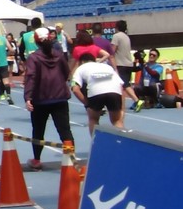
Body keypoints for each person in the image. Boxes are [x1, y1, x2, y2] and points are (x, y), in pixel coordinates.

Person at [21, 30, 72, 171]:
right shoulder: (59, 55)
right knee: (65, 130)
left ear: (36, 41)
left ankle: (37, 160)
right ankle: (71, 159)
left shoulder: (34, 57)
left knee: (38, 130)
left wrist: (28, 97)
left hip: (40, 99)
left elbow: (31, 77)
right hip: (60, 97)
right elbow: (66, 72)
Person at [71, 52, 133, 139]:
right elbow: (121, 86)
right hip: (114, 91)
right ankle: (120, 143)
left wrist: (87, 103)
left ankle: (95, 142)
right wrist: (121, 108)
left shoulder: (80, 68)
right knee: (117, 121)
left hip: (96, 92)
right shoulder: (107, 67)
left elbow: (75, 89)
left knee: (93, 119)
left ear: (81, 62)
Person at [111, 20, 135, 87]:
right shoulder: (126, 37)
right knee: (126, 85)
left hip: (120, 65)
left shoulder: (116, 36)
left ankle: (133, 94)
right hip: (129, 65)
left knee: (123, 86)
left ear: (117, 27)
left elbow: (112, 51)